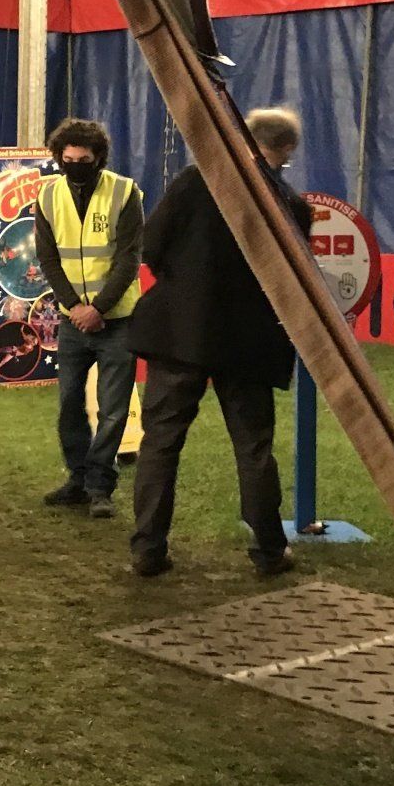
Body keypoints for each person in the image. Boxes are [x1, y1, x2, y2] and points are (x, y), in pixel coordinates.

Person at [126, 107, 312, 578]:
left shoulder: (197, 181)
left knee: (161, 443)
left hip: (180, 335)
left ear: (244, 138)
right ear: (286, 151)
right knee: (253, 449)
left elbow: (152, 246)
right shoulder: (292, 205)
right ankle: (270, 550)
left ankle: (148, 549)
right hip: (249, 346)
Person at [33, 117, 143, 519]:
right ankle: (77, 480)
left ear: (98, 158)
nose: (75, 165)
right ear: (59, 158)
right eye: (68, 159)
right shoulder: (47, 198)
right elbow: (47, 258)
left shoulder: (125, 192)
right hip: (72, 322)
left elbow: (130, 257)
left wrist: (98, 308)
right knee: (68, 404)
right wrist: (75, 309)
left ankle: (100, 487)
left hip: (118, 320)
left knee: (113, 410)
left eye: (83, 159)